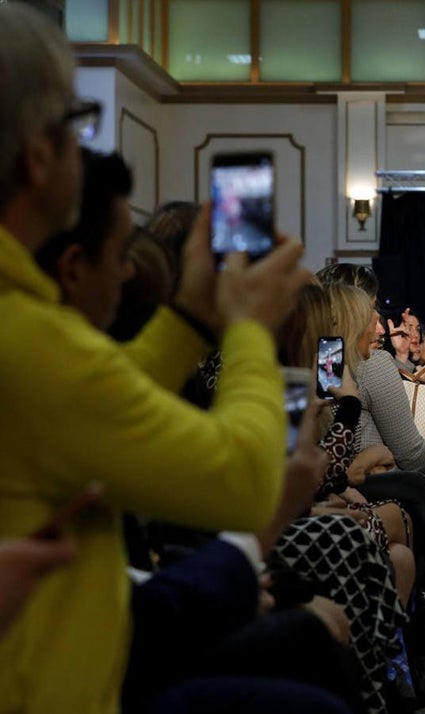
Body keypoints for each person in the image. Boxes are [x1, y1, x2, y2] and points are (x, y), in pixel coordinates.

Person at [0, 7, 313, 712]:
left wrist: (192, 320)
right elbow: (243, 483)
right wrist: (250, 332)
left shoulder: (26, 329)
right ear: (38, 156)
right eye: (76, 126)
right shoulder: (26, 336)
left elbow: (88, 408)